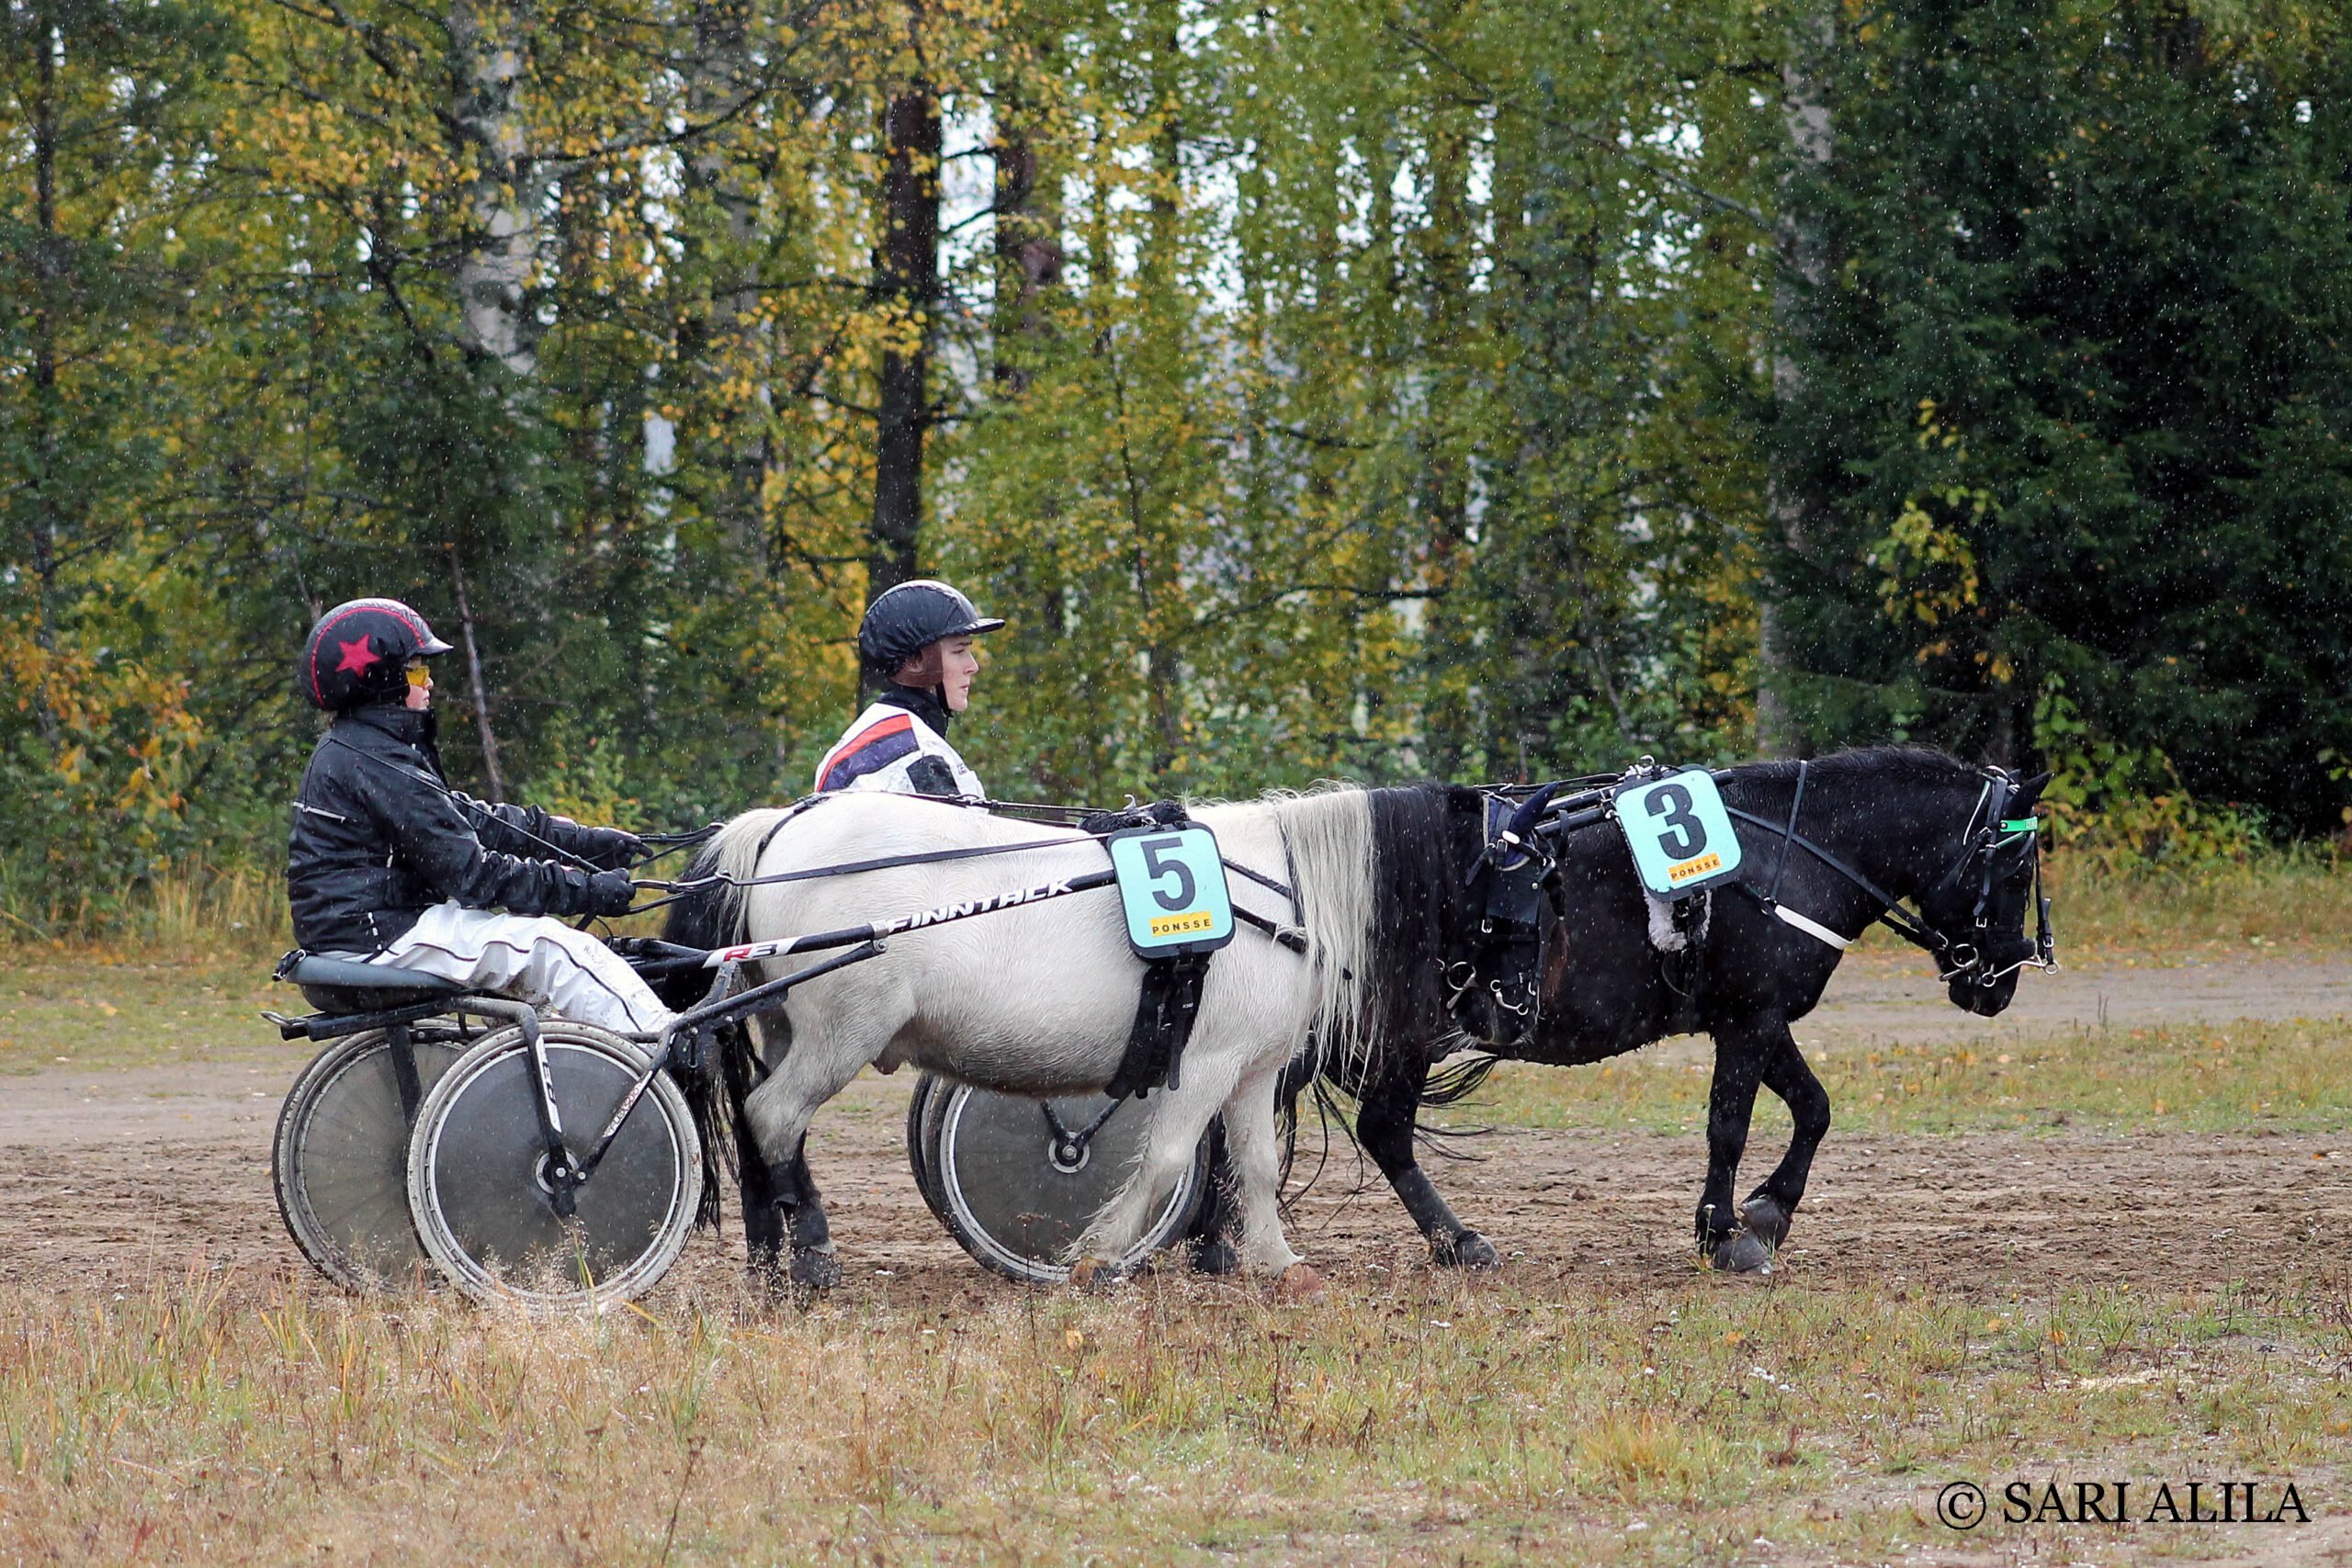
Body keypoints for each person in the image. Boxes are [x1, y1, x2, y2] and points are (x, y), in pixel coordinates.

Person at [286, 597, 676, 1038]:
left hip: (371, 928)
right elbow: (474, 875)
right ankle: (668, 1044)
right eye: (416, 670)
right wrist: (584, 891)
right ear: (380, 681)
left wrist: (583, 843)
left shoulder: (364, 749)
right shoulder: (376, 761)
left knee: (532, 959)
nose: (430, 681)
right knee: (556, 950)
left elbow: (471, 819)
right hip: (379, 937)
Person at [812, 579, 1004, 798]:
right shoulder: (918, 753)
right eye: (959, 651)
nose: (973, 666)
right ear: (915, 661)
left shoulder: (884, 729)